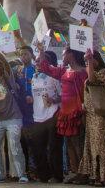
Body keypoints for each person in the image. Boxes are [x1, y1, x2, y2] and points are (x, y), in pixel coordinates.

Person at [38, 49, 89, 178]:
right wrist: (41, 51)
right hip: (65, 112)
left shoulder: (83, 72)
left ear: (71, 55)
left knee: (78, 143)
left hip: (76, 111)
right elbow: (45, 68)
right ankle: (76, 171)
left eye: (64, 54)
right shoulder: (64, 71)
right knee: (70, 144)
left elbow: (85, 92)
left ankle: (84, 172)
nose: (62, 56)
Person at [0, 38, 29, 183]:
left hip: (14, 118)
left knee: (14, 146)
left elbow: (4, 61)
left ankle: (22, 174)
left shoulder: (8, 77)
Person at [76, 51, 105, 186]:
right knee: (91, 146)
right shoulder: (90, 71)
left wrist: (90, 61)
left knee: (100, 145)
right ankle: (93, 175)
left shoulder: (103, 72)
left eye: (91, 60)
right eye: (86, 61)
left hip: (100, 115)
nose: (88, 63)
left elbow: (92, 80)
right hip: (90, 115)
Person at [25, 50, 63, 182]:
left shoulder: (54, 77)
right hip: (38, 117)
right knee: (37, 149)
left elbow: (62, 96)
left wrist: (54, 100)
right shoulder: (34, 78)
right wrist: (31, 98)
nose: (36, 63)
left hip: (52, 115)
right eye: (36, 61)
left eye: (39, 60)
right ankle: (44, 175)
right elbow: (36, 96)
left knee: (54, 148)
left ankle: (57, 176)